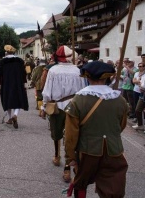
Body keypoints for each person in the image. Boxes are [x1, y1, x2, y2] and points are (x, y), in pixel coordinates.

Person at [65, 61, 128, 198]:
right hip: (114, 150)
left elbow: (71, 134)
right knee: (113, 188)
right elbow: (120, 126)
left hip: (87, 150)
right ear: (107, 77)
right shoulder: (120, 100)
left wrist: (71, 156)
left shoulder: (78, 100)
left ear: (87, 77)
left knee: (81, 182)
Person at [42, 45, 86, 183]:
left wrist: (44, 106)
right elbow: (83, 90)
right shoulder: (78, 71)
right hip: (74, 107)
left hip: (57, 107)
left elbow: (47, 91)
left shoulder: (53, 70)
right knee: (71, 136)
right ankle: (67, 167)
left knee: (57, 133)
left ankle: (57, 156)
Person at [0, 45, 29, 129]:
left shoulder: (3, 61)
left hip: (6, 83)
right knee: (18, 99)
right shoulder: (20, 61)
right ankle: (15, 115)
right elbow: (24, 73)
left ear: (6, 52)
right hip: (18, 83)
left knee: (7, 100)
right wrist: (25, 83)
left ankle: (10, 118)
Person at [132, 62, 145, 129]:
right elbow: (135, 81)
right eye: (139, 66)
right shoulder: (137, 73)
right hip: (142, 94)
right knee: (137, 109)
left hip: (142, 92)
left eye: (141, 66)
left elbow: (140, 83)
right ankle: (140, 125)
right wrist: (139, 83)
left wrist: (139, 83)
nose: (140, 67)